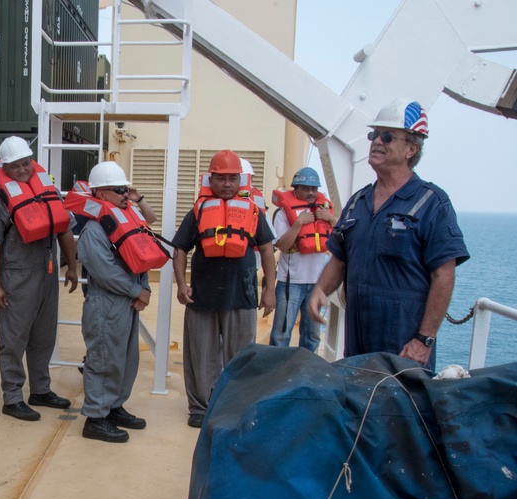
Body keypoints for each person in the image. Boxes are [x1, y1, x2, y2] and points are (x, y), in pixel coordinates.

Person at [309, 98, 468, 370]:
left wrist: (424, 340)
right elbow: (339, 259)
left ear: (411, 149)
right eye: (374, 135)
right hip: (358, 341)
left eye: (387, 136)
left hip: (404, 345)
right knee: (359, 403)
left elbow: (444, 274)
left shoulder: (432, 203)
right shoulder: (358, 202)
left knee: (401, 409)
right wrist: (320, 290)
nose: (377, 142)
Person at [172, 149, 276, 428]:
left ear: (240, 181)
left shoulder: (252, 210)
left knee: (241, 355)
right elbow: (180, 248)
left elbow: (266, 249)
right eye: (221, 179)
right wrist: (182, 284)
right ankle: (199, 406)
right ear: (211, 179)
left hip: (241, 294)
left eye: (233, 179)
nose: (227, 184)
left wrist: (269, 289)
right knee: (199, 353)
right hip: (202, 294)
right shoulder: (198, 211)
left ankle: (236, 403)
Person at [0, 136, 79, 421]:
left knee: (43, 337)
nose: (22, 170)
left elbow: (64, 231)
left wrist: (71, 267)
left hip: (48, 276)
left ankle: (40, 390)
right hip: (16, 278)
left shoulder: (49, 192)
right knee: (13, 339)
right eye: (15, 166)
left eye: (26, 163)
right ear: (4, 168)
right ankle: (12, 398)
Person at [64, 162, 160, 442]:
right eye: (119, 190)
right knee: (104, 358)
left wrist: (144, 290)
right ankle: (95, 418)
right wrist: (135, 291)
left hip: (129, 299)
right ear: (101, 194)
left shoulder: (125, 220)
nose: (125, 195)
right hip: (106, 302)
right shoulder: (95, 230)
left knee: (127, 358)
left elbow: (139, 257)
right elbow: (103, 270)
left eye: (125, 189)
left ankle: (114, 406)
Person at [269, 167, 335, 351]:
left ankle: (305, 373)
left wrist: (331, 219)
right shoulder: (283, 214)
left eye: (314, 189)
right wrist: (298, 224)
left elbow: (342, 237)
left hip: (317, 283)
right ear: (295, 189)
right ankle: (277, 374)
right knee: (281, 333)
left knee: (312, 335)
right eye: (305, 188)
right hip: (290, 282)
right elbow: (281, 245)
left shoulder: (325, 212)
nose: (311, 193)